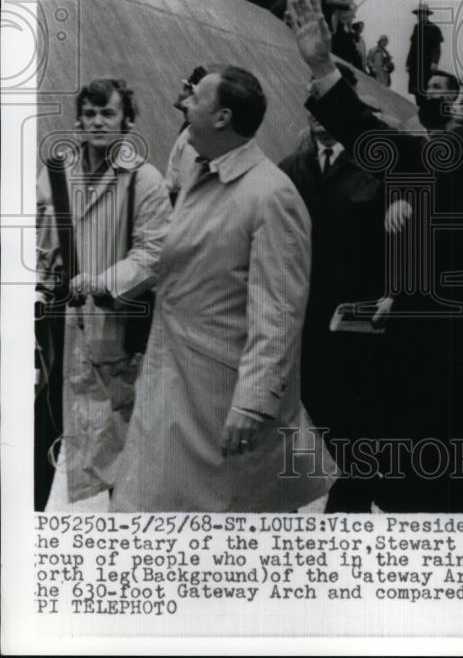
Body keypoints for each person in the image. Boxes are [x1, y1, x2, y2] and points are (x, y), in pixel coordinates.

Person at [289, 0, 463, 512]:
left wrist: (414, 300)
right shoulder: (459, 152)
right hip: (427, 400)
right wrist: (322, 66)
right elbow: (379, 145)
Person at [112, 66, 332, 511]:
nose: (183, 104)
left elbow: (279, 314)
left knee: (221, 521)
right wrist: (111, 283)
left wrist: (253, 404)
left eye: (195, 98)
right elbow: (172, 250)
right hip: (176, 380)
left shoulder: (272, 196)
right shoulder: (198, 166)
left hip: (222, 400)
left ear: (222, 117)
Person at [36, 78, 171, 507]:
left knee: (118, 441)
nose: (97, 122)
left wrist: (103, 281)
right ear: (78, 120)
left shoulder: (145, 180)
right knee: (51, 424)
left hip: (113, 329)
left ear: (126, 121)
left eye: (107, 114)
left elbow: (154, 252)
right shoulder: (56, 173)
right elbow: (40, 242)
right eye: (90, 114)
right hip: (60, 326)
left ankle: (119, 532)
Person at [279, 109, 387, 511]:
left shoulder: (375, 169)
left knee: (353, 439)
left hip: (356, 332)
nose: (319, 115)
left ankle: (347, 527)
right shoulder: (289, 170)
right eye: (311, 107)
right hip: (301, 325)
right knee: (296, 432)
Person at [163, 66, 206, 205]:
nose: (181, 92)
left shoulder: (192, 136)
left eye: (185, 87)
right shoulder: (189, 126)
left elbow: (184, 190)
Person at [406, 5, 443, 107]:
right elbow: (412, 47)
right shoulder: (416, 28)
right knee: (416, 89)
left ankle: (427, 112)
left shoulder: (434, 29)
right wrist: (408, 63)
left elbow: (437, 48)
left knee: (426, 89)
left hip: (427, 65)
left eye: (422, 14)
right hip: (415, 64)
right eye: (418, 14)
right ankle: (419, 109)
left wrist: (435, 62)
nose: (419, 16)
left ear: (427, 15)